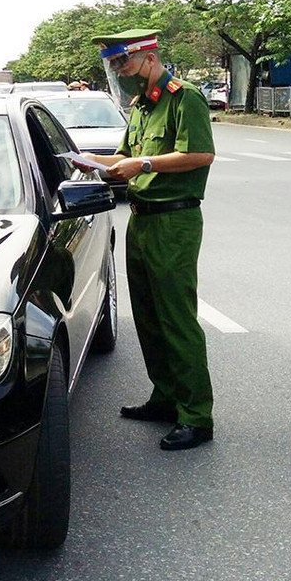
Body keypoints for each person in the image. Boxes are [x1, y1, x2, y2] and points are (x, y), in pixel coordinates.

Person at [80, 29, 217, 451]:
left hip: (173, 222)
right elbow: (125, 157)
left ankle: (196, 415)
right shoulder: (142, 106)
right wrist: (88, 161)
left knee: (176, 318)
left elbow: (200, 154)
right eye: (114, 65)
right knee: (149, 318)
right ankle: (165, 398)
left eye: (123, 63)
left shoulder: (184, 97)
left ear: (149, 58)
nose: (119, 72)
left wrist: (143, 163)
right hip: (140, 219)